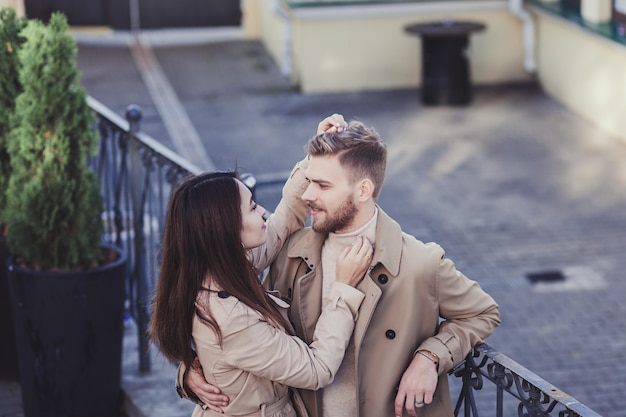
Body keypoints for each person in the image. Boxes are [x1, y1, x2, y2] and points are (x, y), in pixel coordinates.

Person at [178, 114, 501, 417]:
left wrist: (431, 357)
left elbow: (483, 313)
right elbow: (242, 339)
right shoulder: (290, 253)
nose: (306, 194)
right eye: (309, 181)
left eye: (322, 185)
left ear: (363, 190)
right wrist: (196, 366)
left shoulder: (419, 262)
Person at [149, 130, 375, 417]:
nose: (264, 212)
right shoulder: (232, 318)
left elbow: (280, 226)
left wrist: (312, 163)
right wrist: (343, 289)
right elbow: (318, 369)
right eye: (253, 207)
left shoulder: (216, 270)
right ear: (226, 231)